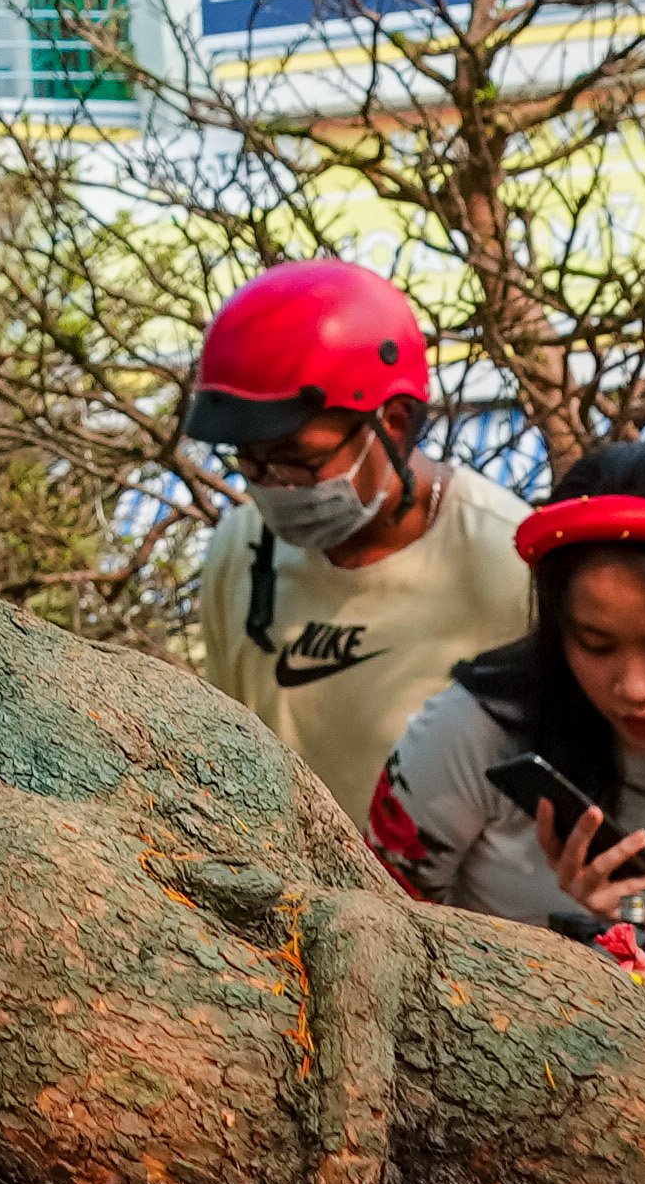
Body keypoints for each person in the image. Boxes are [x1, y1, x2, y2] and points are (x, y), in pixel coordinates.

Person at [369, 439, 645, 947]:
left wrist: (635, 911)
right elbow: (376, 924)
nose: (635, 689)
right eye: (595, 645)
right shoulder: (475, 728)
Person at [184, 259, 528, 835]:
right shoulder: (241, 547)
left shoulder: (507, 564)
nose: (272, 483)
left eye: (299, 457)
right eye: (249, 458)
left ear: (392, 422)